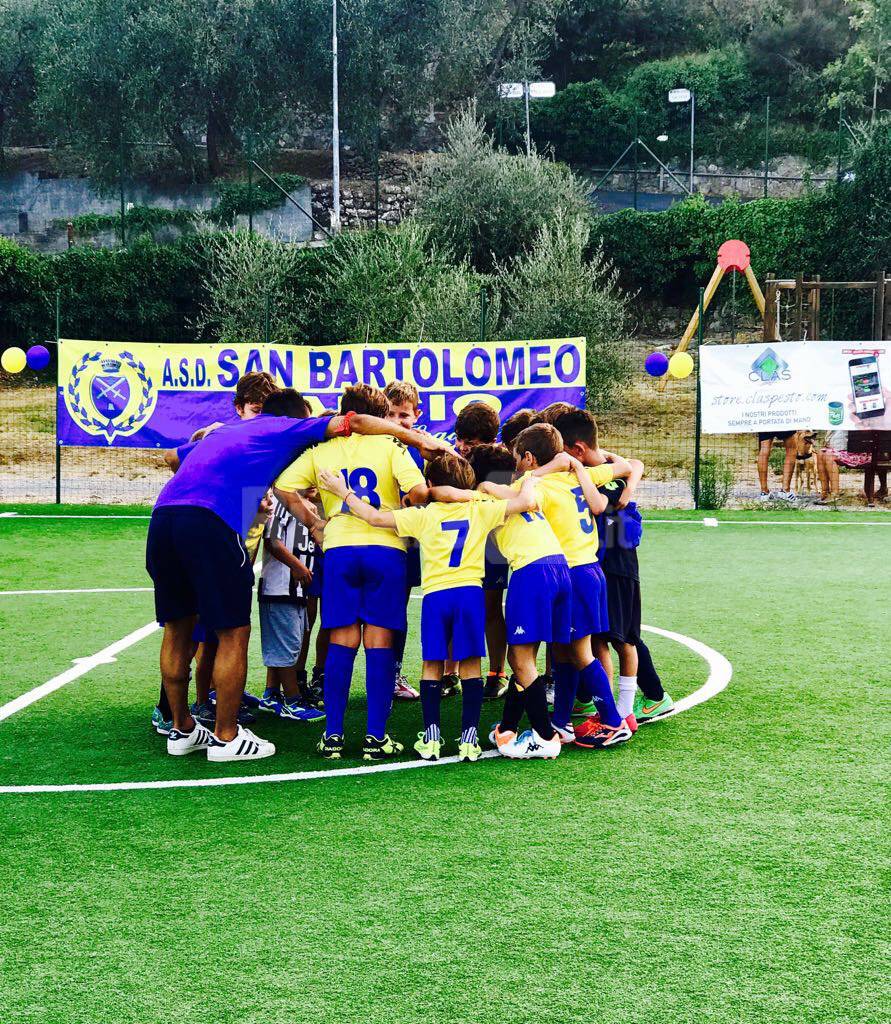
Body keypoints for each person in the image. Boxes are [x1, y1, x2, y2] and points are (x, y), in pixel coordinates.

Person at [147, 387, 446, 763]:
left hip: (164, 517)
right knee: (233, 633)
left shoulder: (224, 430)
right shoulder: (290, 429)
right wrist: (418, 438)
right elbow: (355, 422)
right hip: (215, 524)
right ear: (296, 418)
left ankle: (182, 728)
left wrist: (234, 481)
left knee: (177, 627)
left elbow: (170, 456)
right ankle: (226, 737)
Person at [320, 452, 536, 761]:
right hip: (470, 594)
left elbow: (375, 518)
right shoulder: (481, 509)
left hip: (436, 597)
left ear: (430, 484)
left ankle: (432, 739)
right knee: (470, 664)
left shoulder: (422, 513)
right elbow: (524, 501)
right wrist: (529, 481)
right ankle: (468, 740)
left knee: (432, 664)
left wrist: (344, 492)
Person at [274, 384, 430, 762]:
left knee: (342, 640)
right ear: (378, 417)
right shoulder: (392, 448)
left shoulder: (322, 450)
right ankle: (376, 737)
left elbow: (282, 486)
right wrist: (404, 509)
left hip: (340, 550)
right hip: (385, 551)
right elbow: (421, 493)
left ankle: (333, 736)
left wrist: (314, 521)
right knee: (378, 642)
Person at [151, 370, 279, 735]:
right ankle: (171, 708)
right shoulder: (224, 435)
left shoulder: (262, 441)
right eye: (255, 409)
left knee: (215, 632)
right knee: (193, 628)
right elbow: (173, 459)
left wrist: (259, 501)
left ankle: (207, 700)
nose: (262, 417)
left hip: (240, 546)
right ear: (239, 408)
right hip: (210, 542)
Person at [509, 422, 634, 749]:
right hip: (587, 569)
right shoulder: (579, 476)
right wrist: (574, 464)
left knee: (580, 651)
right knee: (563, 650)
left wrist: (533, 475)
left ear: (530, 458)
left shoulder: (537, 485)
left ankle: (612, 720)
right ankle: (561, 722)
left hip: (574, 572)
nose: (517, 467)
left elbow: (516, 498)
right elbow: (623, 466)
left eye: (519, 460)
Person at [555, 408, 675, 725]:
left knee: (625, 639)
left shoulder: (603, 475)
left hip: (618, 568)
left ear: (577, 449)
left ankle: (627, 708)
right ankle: (603, 705)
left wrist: (630, 482)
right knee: (599, 639)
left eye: (564, 452)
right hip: (597, 568)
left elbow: (632, 465)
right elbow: (631, 464)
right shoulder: (604, 469)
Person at [462, 444, 574, 759]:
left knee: (521, 661)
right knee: (524, 660)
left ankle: (546, 737)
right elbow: (533, 482)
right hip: (559, 567)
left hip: (531, 572)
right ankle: (508, 727)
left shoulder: (484, 492)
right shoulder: (518, 485)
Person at [454, 402, 508, 700]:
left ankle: (497, 673)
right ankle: (450, 673)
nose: (462, 446)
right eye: (459, 439)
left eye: (470, 442)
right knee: (455, 607)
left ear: (488, 440)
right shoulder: (452, 458)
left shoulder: (501, 463)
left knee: (490, 608)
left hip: (490, 548)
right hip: (457, 545)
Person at [255, 494, 326, 723]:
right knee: (287, 646)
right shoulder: (281, 504)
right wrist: (297, 567)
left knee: (287, 643)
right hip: (280, 587)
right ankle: (293, 701)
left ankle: (272, 694)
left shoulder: (304, 506)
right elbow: (272, 541)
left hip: (295, 590)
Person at [384, 380, 424, 701]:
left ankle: (393, 673)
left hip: (407, 542)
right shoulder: (373, 445)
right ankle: (323, 677)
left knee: (397, 611)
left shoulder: (420, 450)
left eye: (405, 415)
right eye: (392, 414)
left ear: (417, 414)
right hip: (375, 539)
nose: (399, 421)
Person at [756, 431, 797, 502]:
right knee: (791, 449)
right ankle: (785, 491)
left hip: (766, 421)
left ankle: (764, 492)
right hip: (784, 421)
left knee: (764, 449)